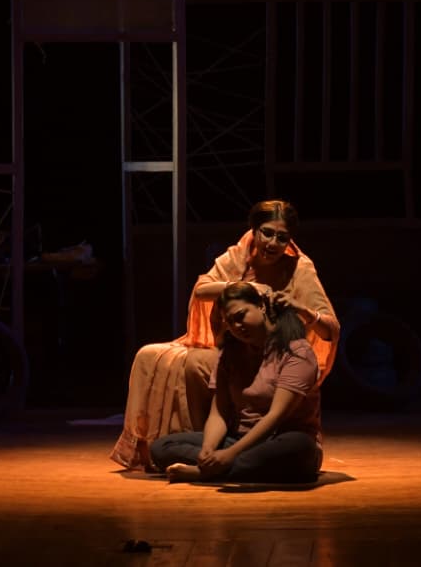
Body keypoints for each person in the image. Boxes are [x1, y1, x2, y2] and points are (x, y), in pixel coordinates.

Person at [110, 199, 338, 470]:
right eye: (267, 233)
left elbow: (276, 416)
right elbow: (201, 289)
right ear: (254, 230)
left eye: (282, 237)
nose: (273, 243)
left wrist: (303, 310)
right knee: (154, 368)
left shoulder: (295, 348)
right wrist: (209, 450)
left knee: (294, 449)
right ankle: (218, 461)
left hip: (279, 423)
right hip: (240, 404)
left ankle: (213, 468)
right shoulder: (237, 266)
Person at [149, 281, 323, 483]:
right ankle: (224, 468)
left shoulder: (297, 352)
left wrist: (230, 455)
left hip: (281, 439)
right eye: (230, 322)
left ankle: (207, 473)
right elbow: (219, 412)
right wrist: (208, 449)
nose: (237, 327)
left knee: (298, 448)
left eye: (240, 316)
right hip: (239, 439)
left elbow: (276, 416)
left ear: (261, 306)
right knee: (161, 448)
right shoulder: (231, 353)